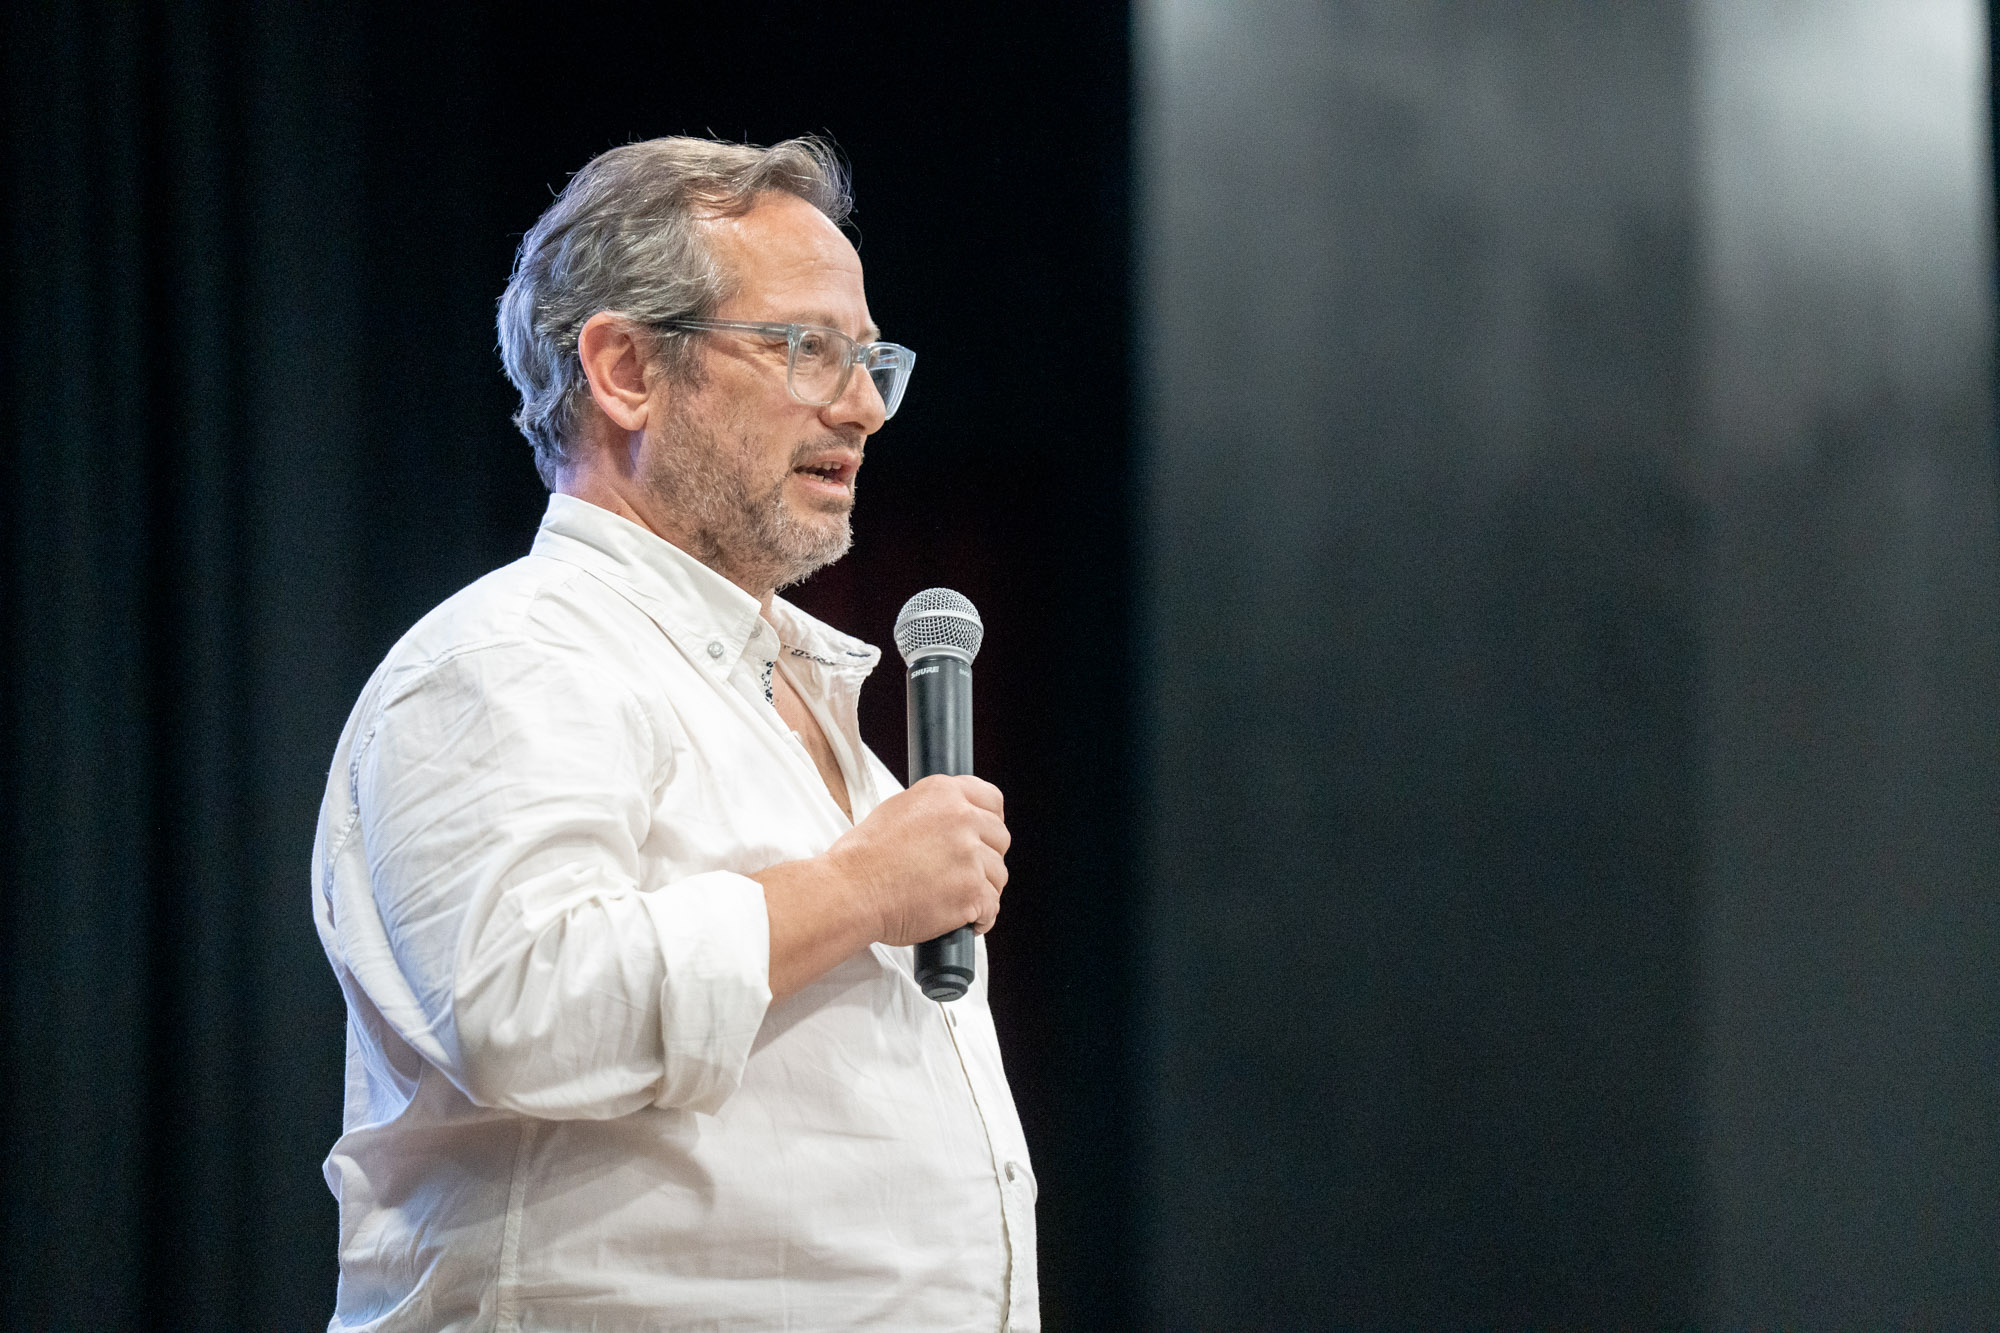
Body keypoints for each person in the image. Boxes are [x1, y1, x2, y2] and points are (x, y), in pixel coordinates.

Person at [310, 136, 1037, 1332]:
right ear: (626, 369)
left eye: (868, 360)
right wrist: (855, 889)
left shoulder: (789, 689)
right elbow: (521, 1006)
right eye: (806, 349)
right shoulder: (508, 659)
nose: (861, 406)